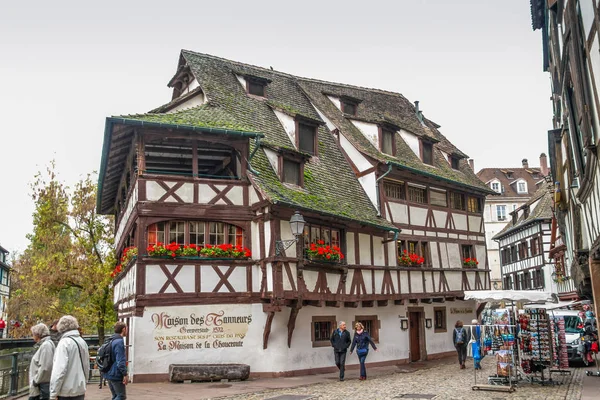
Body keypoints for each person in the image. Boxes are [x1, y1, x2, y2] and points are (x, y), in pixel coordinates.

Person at [49, 315, 90, 400]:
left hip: (66, 391)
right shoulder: (82, 342)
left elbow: (59, 370)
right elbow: (86, 366)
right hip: (79, 388)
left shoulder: (63, 343)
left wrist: (53, 393)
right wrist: (84, 382)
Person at [29, 323, 55, 400]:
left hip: (42, 385)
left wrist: (36, 380)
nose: (32, 336)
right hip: (42, 384)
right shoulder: (46, 344)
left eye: (33, 334)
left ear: (37, 334)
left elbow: (45, 367)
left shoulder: (46, 345)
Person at [104, 322, 128, 400]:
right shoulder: (119, 342)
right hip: (116, 373)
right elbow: (120, 360)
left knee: (115, 395)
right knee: (121, 396)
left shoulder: (111, 339)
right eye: (126, 329)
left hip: (108, 371)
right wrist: (124, 373)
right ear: (123, 329)